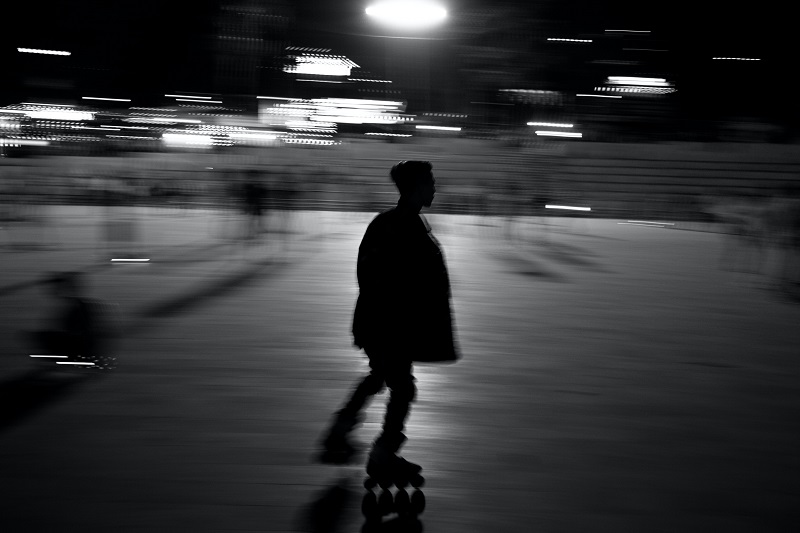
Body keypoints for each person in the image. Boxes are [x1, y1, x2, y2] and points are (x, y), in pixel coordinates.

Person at [318, 161, 459, 479]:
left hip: (390, 324)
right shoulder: (396, 225)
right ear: (415, 187)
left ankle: (341, 431)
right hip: (387, 325)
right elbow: (373, 277)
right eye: (430, 182)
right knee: (402, 386)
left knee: (382, 377)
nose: (435, 188)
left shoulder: (407, 222)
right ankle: (383, 452)